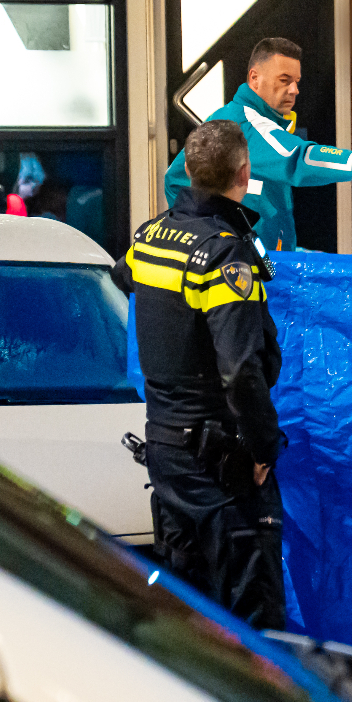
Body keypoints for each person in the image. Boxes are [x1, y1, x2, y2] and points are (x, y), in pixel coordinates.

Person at [114, 121, 288, 630]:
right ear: (243, 173)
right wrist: (262, 448)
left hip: (166, 454)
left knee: (188, 615)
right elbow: (240, 371)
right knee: (251, 623)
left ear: (187, 171)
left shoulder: (149, 237)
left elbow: (124, 276)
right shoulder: (224, 253)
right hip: (220, 462)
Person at [165, 37, 352, 253]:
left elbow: (173, 178)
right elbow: (300, 159)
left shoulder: (250, 119)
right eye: (284, 80)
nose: (294, 90)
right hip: (245, 272)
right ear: (254, 78)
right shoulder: (246, 124)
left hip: (264, 261)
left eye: (297, 81)